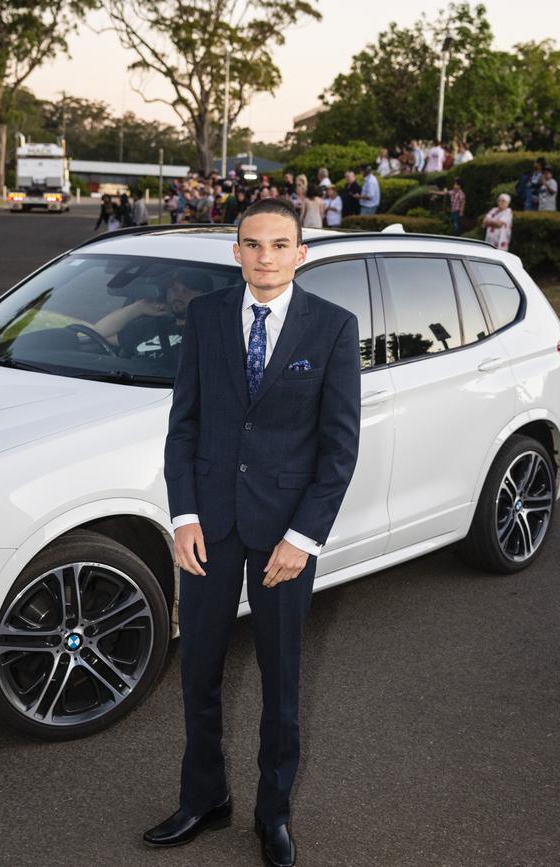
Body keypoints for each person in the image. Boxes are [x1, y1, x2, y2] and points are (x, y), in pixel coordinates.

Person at [145, 197, 361, 867]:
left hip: (284, 534)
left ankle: (274, 812)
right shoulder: (206, 316)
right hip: (207, 526)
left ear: (301, 253)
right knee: (200, 670)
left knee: (281, 677)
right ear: (235, 251)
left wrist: (305, 537)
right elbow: (185, 424)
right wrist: (182, 516)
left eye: (279, 244)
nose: (265, 256)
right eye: (252, 244)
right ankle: (204, 797)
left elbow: (339, 448)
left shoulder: (332, 327)